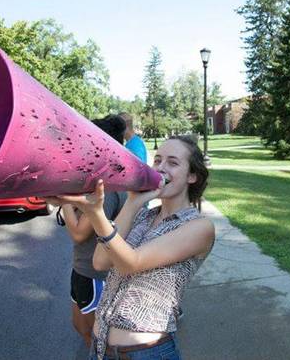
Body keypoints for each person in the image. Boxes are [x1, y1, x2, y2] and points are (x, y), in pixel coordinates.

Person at [52, 135, 215, 360]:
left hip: (148, 352)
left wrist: (95, 213)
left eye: (173, 162)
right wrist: (132, 202)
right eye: (157, 161)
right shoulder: (143, 216)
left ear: (192, 176)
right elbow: (100, 262)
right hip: (101, 349)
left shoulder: (198, 227)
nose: (161, 168)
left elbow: (131, 263)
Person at [56, 114, 128, 348]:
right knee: (80, 326)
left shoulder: (107, 190)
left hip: (95, 275)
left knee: (96, 337)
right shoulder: (97, 182)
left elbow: (78, 233)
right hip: (82, 269)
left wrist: (63, 200)